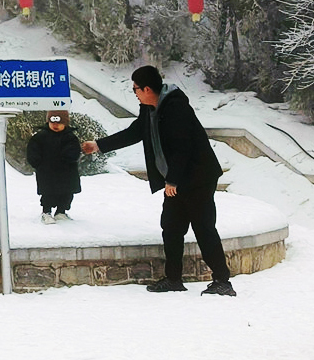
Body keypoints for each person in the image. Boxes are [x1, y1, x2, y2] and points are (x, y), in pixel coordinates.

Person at [82, 66, 236, 296]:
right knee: (171, 227)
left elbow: (183, 147)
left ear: (147, 88)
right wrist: (99, 145)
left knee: (203, 228)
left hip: (197, 178)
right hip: (175, 180)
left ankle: (223, 281)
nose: (134, 93)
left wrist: (173, 180)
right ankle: (173, 279)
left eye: (135, 88)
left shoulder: (176, 107)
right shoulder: (148, 108)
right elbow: (136, 131)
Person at [26, 110, 81, 223]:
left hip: (67, 172)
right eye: (53, 122)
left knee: (67, 193)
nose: (55, 125)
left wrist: (68, 157)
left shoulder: (70, 138)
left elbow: (74, 151)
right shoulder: (40, 137)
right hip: (46, 172)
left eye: (59, 123)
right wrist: (37, 163)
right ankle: (46, 212)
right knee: (48, 193)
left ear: (65, 123)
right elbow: (32, 151)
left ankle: (61, 211)